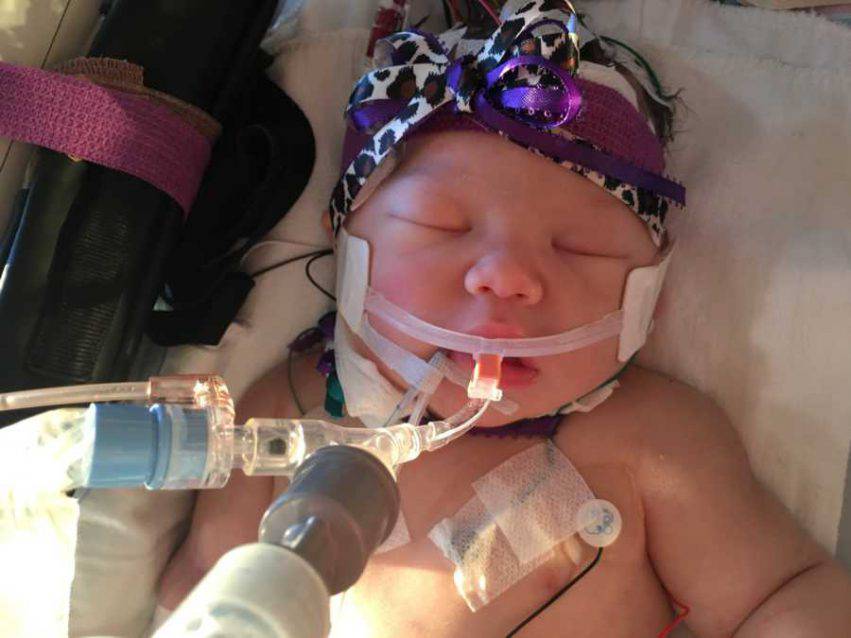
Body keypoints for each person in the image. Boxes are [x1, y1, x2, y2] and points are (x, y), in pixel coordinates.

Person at [157, 1, 851, 635]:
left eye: (578, 247)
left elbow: (781, 595)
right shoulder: (281, 417)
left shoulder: (649, 439)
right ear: (346, 250)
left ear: (650, 298)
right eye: (442, 225)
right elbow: (198, 592)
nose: (509, 277)